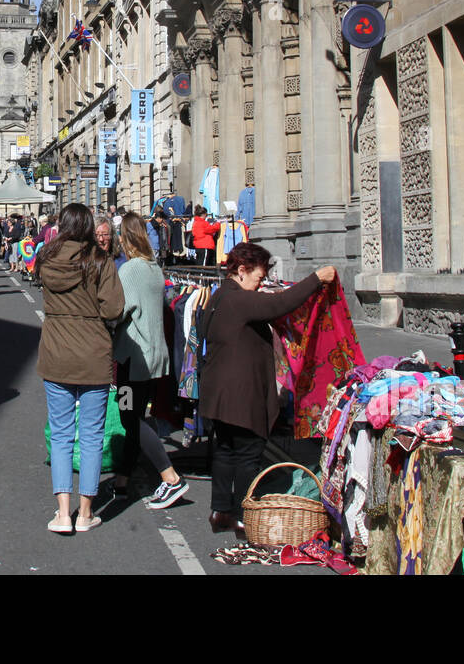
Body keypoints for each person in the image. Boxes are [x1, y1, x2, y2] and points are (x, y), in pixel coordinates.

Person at [199, 242, 335, 536]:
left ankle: (220, 510)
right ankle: (241, 514)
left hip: (219, 394)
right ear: (242, 270)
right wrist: (316, 279)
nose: (260, 286)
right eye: (259, 278)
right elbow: (278, 305)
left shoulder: (219, 297)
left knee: (225, 451)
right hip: (239, 395)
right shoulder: (238, 300)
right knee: (248, 455)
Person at [35, 203, 125, 534]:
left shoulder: (46, 257)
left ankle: (62, 513)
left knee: (60, 435)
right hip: (93, 353)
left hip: (56, 352)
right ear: (88, 227)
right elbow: (114, 307)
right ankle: (86, 513)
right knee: (90, 435)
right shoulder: (99, 260)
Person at [111, 213, 189, 509]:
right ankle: (122, 480)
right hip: (154, 357)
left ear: (126, 238)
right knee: (135, 418)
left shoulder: (130, 270)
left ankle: (171, 478)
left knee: (130, 419)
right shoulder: (155, 268)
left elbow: (119, 312)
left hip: (134, 360)